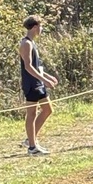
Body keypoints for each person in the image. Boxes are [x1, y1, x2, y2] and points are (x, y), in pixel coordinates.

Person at [19, 16, 58, 156]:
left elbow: (37, 66)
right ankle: (32, 147)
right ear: (35, 27)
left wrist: (48, 77)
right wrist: (44, 80)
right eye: (40, 26)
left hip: (37, 81)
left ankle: (30, 139)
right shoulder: (26, 43)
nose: (41, 29)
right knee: (32, 113)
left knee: (47, 109)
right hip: (31, 83)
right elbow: (28, 67)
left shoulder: (31, 43)